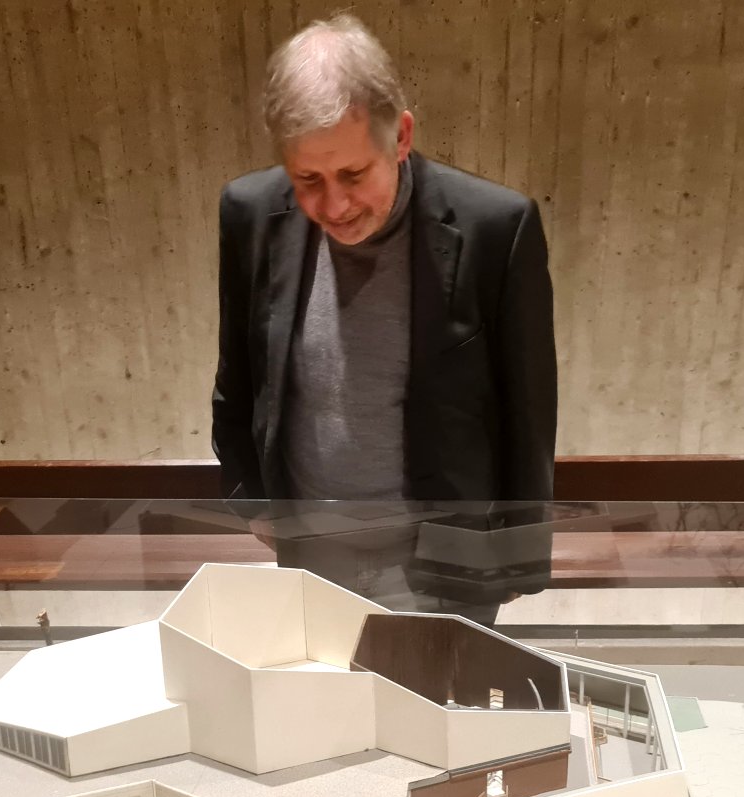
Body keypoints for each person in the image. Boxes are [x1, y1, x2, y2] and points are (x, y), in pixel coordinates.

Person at [210, 14, 557, 506]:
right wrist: (255, 508)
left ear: (401, 138)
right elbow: (237, 381)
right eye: (308, 179)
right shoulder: (249, 213)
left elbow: (529, 424)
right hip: (303, 532)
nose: (334, 207)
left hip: (443, 543)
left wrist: (516, 549)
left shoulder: (497, 228)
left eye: (353, 174)